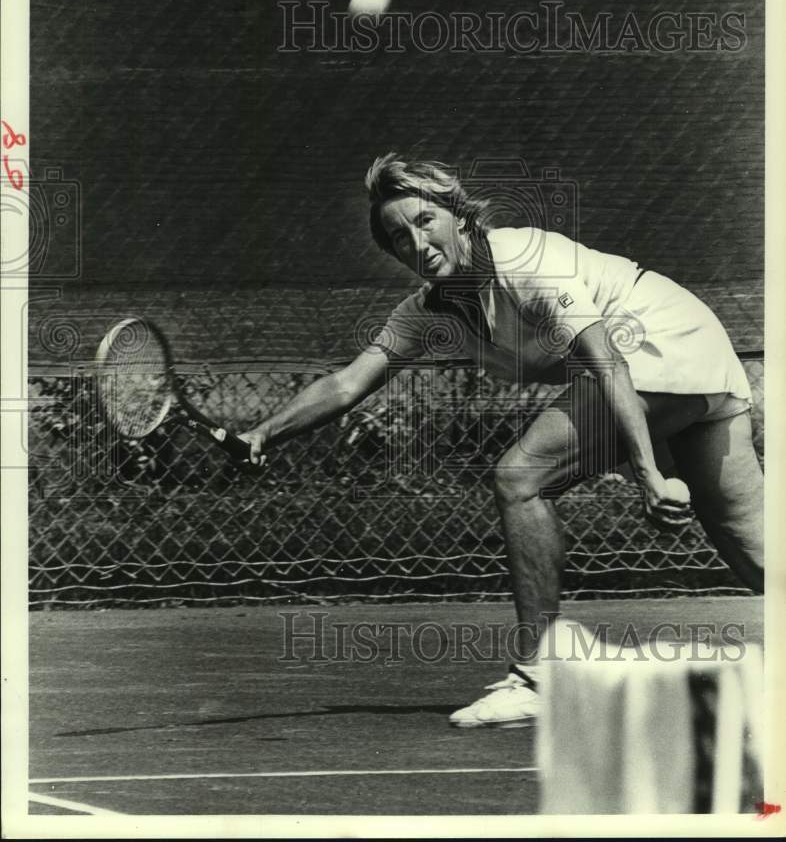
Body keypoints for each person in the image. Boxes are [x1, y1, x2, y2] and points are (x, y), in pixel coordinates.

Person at [240, 153, 763, 728]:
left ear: (459, 218)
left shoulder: (525, 258)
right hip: (697, 358)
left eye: (424, 221)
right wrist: (263, 433)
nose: (416, 242)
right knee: (753, 548)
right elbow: (345, 384)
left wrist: (647, 474)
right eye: (398, 236)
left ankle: (541, 676)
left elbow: (607, 361)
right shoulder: (427, 311)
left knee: (520, 477)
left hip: (660, 342)